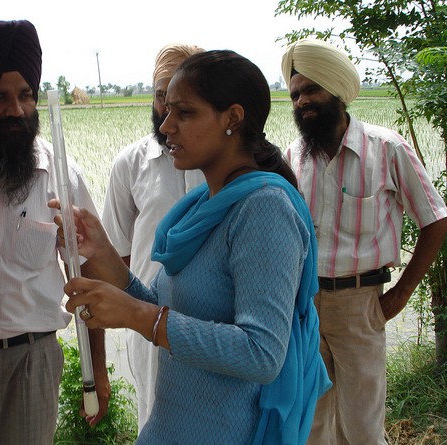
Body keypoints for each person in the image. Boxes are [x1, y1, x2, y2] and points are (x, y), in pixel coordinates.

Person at [51, 49, 331, 444]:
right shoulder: (204, 204)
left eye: (184, 113)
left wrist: (138, 314)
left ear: (232, 118)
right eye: (166, 110)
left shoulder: (263, 208)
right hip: (170, 427)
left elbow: (261, 352)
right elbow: (164, 304)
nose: (166, 126)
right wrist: (100, 251)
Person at [0, 19, 110, 444]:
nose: (15, 110)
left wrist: (100, 369)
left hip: (31, 361)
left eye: (25, 96)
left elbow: (87, 278)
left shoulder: (60, 176)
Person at [282, 38, 447, 445]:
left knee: (363, 425)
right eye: (296, 93)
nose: (303, 100)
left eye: (311, 89)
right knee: (313, 424)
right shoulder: (294, 156)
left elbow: (436, 220)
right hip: (304, 306)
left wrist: (401, 295)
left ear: (336, 91)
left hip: (360, 305)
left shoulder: (386, 148)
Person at [101, 42, 204, 431]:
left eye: (183, 99)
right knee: (156, 423)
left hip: (217, 325)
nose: (168, 110)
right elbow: (119, 256)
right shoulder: (130, 164)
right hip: (151, 322)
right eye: (162, 95)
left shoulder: (226, 163)